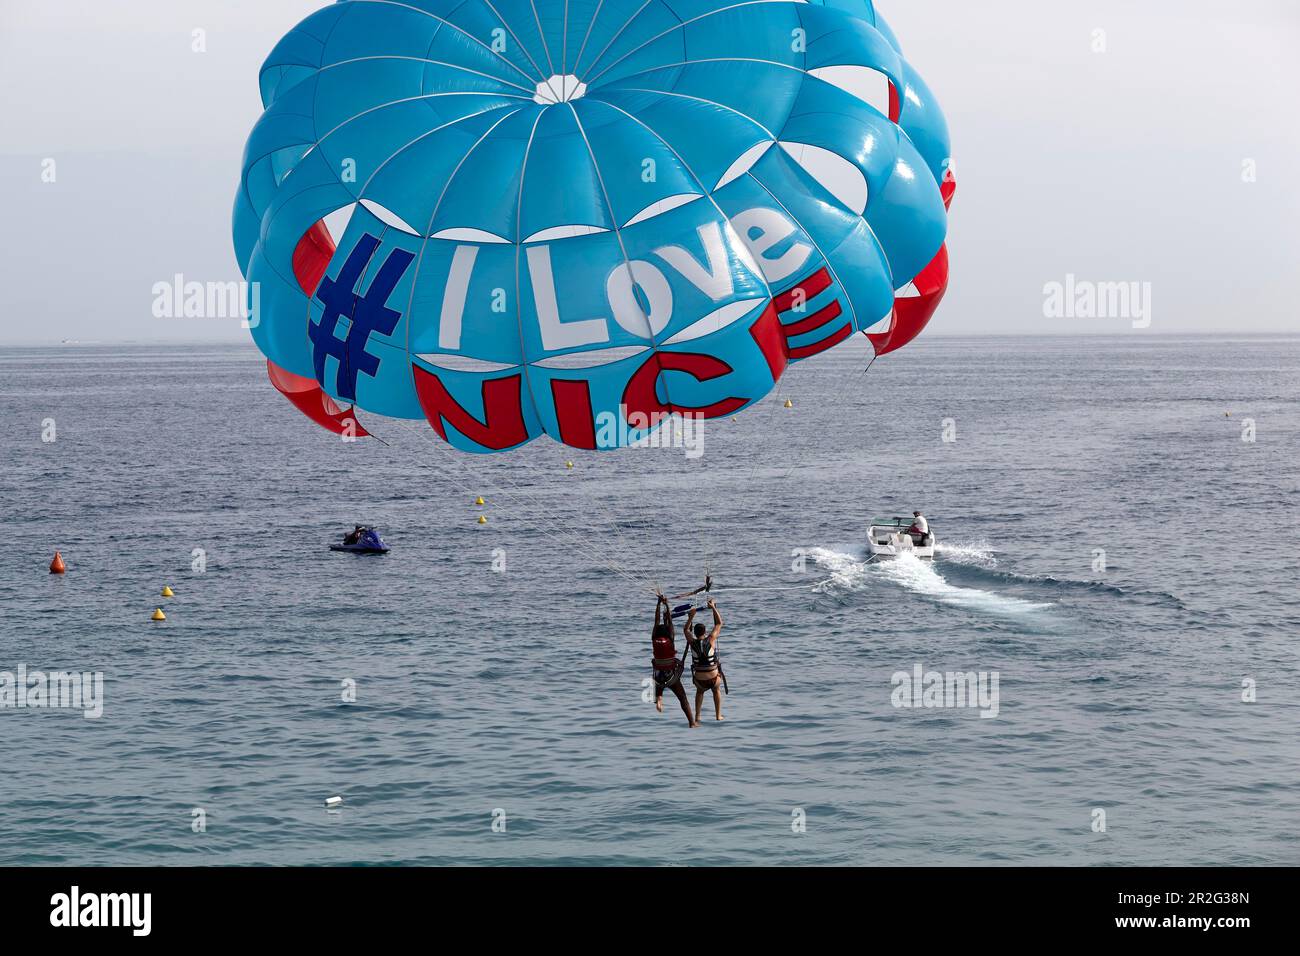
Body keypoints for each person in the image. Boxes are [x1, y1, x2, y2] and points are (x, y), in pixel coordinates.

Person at [651, 595, 693, 726]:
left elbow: (657, 621)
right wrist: (667, 606)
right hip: (671, 677)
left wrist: (659, 604)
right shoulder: (670, 638)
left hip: (658, 676)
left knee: (658, 678)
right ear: (669, 633)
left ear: (656, 632)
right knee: (683, 698)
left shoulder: (654, 638)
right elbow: (669, 620)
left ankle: (659, 698)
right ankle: (692, 722)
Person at [685, 599, 724, 725]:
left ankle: (697, 716)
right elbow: (719, 623)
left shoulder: (692, 642)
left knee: (699, 692)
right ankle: (718, 715)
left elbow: (686, 630)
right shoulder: (711, 639)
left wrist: (691, 616)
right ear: (705, 632)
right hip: (713, 678)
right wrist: (713, 607)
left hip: (699, 680)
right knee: (716, 690)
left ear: (695, 633)